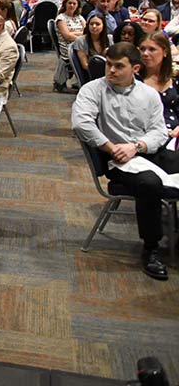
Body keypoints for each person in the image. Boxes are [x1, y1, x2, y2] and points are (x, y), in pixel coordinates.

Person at [72, 42, 179, 280]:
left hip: (144, 150)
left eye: (119, 66)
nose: (111, 71)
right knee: (149, 184)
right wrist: (112, 147)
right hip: (117, 159)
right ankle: (151, 248)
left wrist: (136, 146)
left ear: (136, 69)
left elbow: (159, 132)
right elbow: (82, 124)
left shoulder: (148, 94)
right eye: (109, 65)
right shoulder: (93, 90)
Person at [138, 32, 179, 140]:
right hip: (148, 137)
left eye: (152, 49)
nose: (145, 54)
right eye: (142, 49)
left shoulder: (174, 78)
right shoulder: (134, 80)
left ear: (165, 52)